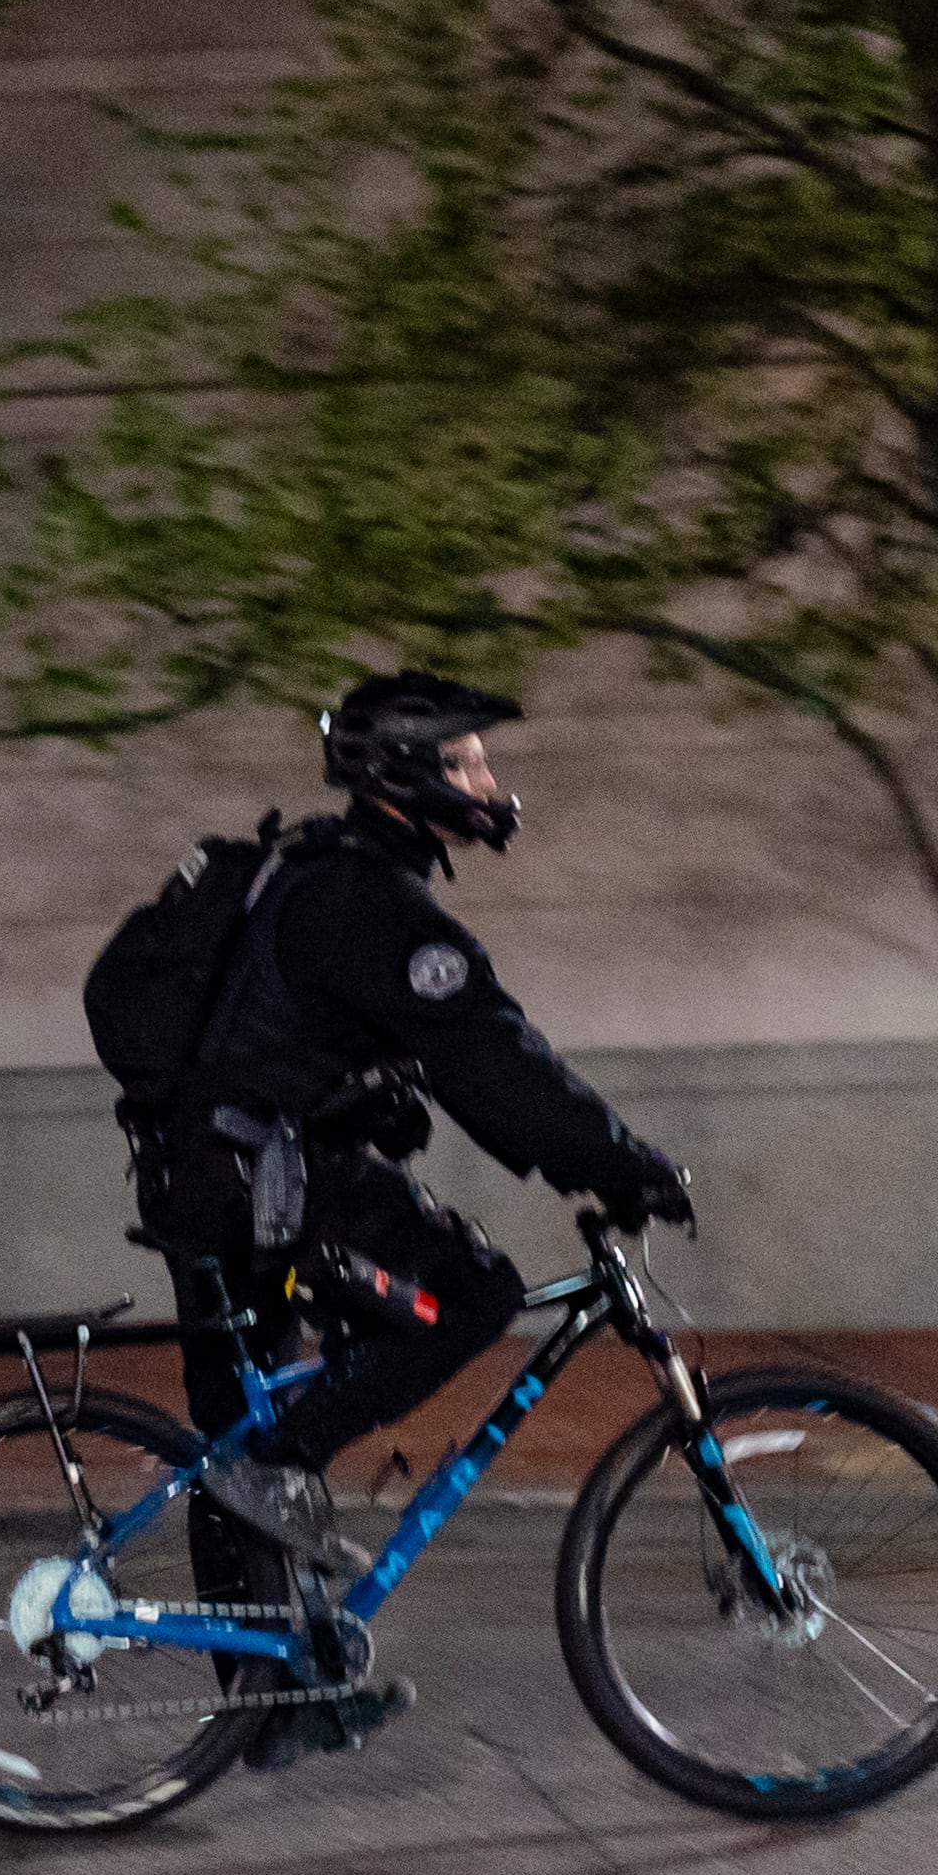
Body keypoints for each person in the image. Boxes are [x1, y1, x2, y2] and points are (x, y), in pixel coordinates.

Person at [134, 672, 692, 1758]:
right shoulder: (369, 905)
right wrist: (620, 1164)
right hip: (267, 1180)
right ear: (406, 773)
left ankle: (270, 1703)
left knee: (243, 1427)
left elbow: (453, 1066)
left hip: (213, 1173)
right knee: (469, 1294)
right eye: (470, 760)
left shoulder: (327, 876)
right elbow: (491, 1062)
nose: (489, 778)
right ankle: (277, 1482)